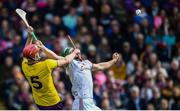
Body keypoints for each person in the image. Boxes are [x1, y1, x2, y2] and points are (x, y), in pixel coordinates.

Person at [21, 26, 80, 110]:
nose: (39, 53)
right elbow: (66, 60)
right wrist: (75, 52)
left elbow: (25, 51)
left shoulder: (24, 65)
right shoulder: (46, 65)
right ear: (35, 57)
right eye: (38, 53)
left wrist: (30, 36)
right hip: (53, 101)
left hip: (39, 102)